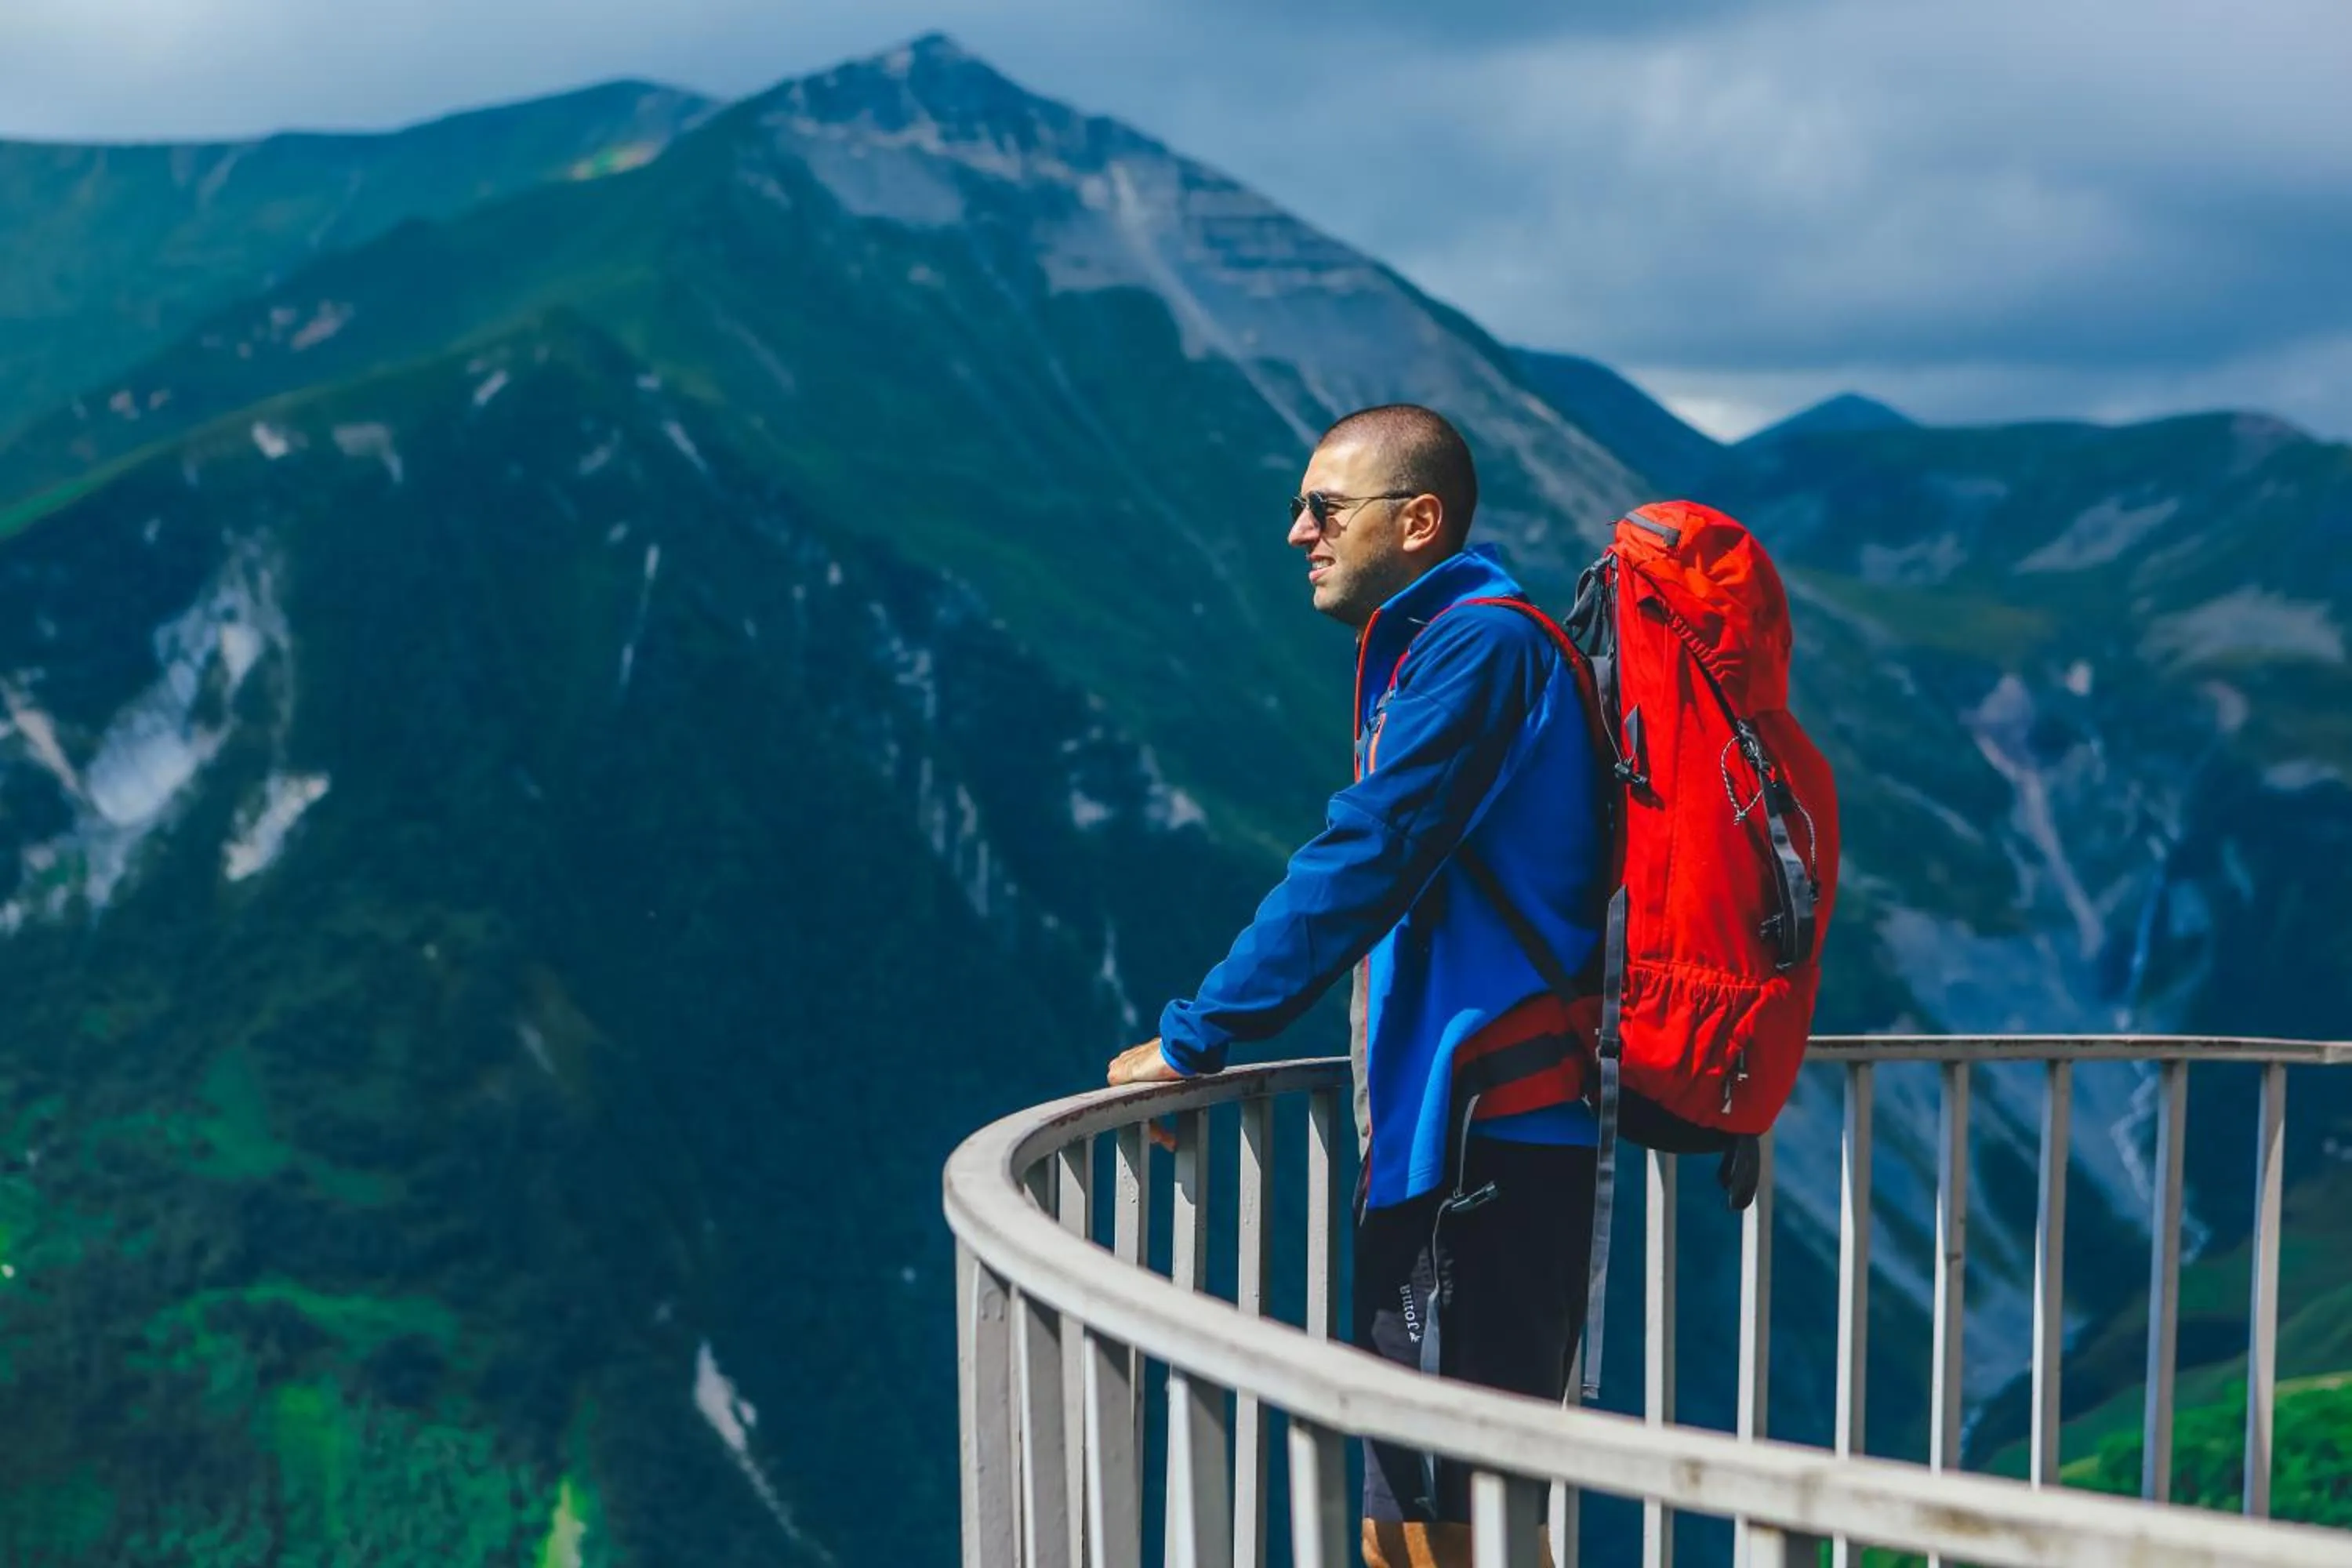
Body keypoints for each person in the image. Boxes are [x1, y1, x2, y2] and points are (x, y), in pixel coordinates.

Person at [1105, 404, 1605, 1567]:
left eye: (1323, 509)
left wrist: (1197, 1037)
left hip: (1484, 1147)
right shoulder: (1462, 643)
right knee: (1459, 1522)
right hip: (1486, 1140)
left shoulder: (1481, 649)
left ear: (1419, 520)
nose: (1297, 534)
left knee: (1432, 1533)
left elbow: (1369, 855)